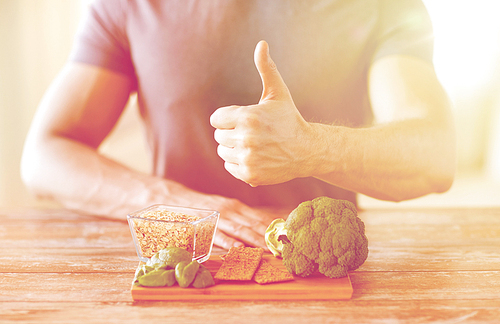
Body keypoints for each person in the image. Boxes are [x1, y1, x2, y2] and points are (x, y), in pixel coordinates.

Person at [21, 0, 456, 250]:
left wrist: (309, 148)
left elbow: (435, 154)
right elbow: (45, 154)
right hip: (183, 262)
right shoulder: (127, 5)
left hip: (319, 269)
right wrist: (172, 202)